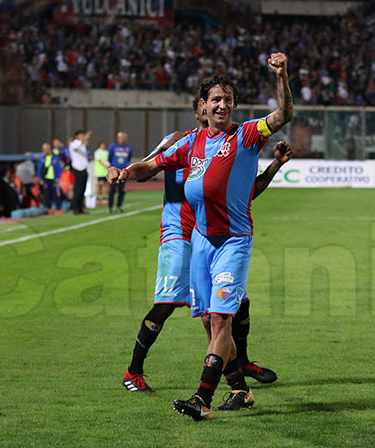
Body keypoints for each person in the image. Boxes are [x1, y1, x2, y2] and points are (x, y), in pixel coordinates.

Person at [108, 52, 293, 421]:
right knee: (210, 323)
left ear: (234, 105)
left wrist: (281, 76)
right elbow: (152, 165)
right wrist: (125, 172)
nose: (222, 105)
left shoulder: (246, 134)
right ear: (203, 106)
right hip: (200, 242)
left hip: (233, 241)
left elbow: (284, 114)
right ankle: (240, 390)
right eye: (216, 100)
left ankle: (202, 399)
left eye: (228, 99)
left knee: (222, 320)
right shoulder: (189, 143)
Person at [36, 142, 63, 215]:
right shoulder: (42, 159)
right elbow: (39, 169)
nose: (44, 151)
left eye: (45, 149)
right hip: (46, 179)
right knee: (47, 195)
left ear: (49, 149)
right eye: (43, 149)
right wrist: (40, 178)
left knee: (56, 194)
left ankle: (58, 209)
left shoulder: (55, 158)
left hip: (54, 179)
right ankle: (49, 208)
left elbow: (59, 168)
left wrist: (58, 177)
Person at [69, 130, 92, 214]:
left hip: (84, 168)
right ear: (77, 136)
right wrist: (84, 139)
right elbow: (76, 147)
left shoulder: (82, 145)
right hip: (78, 169)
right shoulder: (74, 144)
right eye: (82, 135)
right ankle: (75, 208)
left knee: (83, 190)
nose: (83, 137)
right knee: (78, 190)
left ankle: (80, 208)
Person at [108, 132, 132, 213]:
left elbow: (129, 158)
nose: (122, 139)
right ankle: (110, 207)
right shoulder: (113, 147)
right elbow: (109, 158)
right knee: (112, 190)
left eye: (124, 138)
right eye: (121, 138)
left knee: (121, 190)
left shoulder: (128, 148)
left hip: (123, 172)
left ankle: (119, 206)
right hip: (115, 171)